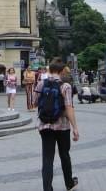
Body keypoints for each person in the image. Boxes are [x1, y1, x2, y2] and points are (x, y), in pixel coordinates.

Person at [35, 59, 79, 191]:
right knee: (64, 155)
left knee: (47, 158)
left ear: (50, 70)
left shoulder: (41, 83)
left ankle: (47, 188)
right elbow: (69, 108)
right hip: (62, 127)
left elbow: (36, 102)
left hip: (45, 126)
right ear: (60, 71)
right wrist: (75, 128)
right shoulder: (65, 86)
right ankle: (69, 183)